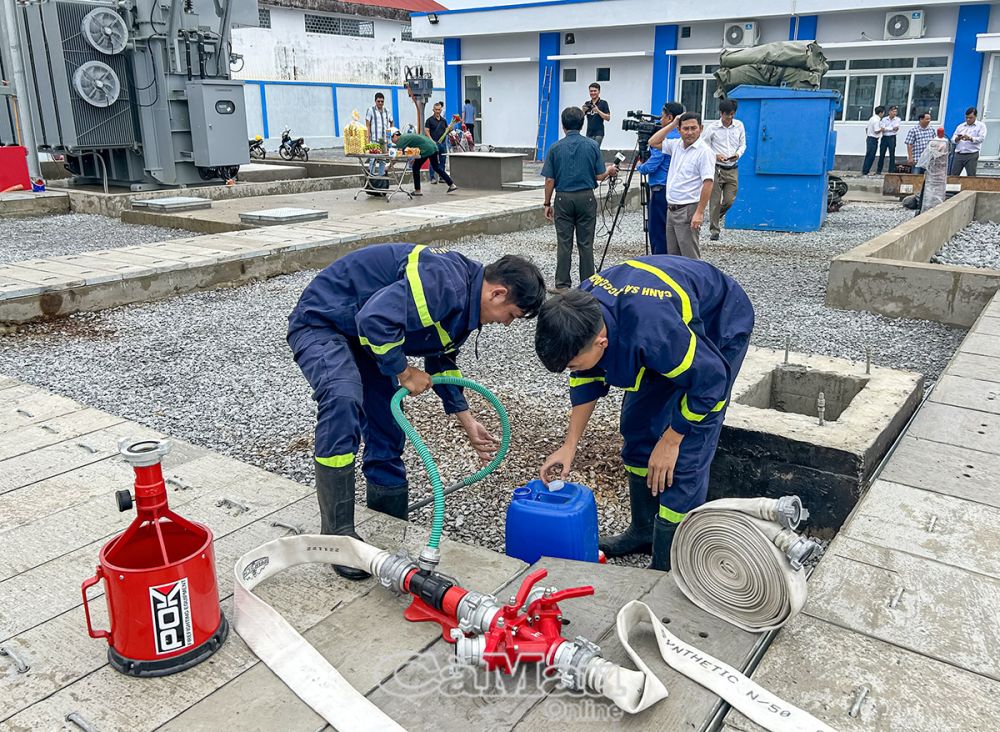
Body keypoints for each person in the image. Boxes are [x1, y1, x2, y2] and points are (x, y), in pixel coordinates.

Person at [288, 244, 546, 579]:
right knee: (342, 397)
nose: (507, 323)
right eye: (511, 315)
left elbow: (442, 356)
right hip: (324, 322)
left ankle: (388, 528)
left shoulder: (466, 299)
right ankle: (338, 537)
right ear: (498, 293)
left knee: (388, 425)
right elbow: (374, 318)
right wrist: (405, 372)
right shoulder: (446, 285)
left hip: (364, 337)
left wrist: (466, 420)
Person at [535, 256, 755, 569]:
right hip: (660, 333)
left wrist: (671, 439)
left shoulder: (653, 331)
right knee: (638, 427)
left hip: (719, 323)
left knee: (686, 456)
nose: (572, 370)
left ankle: (669, 562)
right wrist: (569, 445)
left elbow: (710, 384)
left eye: (572, 363)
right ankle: (643, 530)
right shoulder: (580, 310)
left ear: (602, 342)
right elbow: (586, 377)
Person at [542, 107, 619, 289]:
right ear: (583, 123)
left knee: (564, 243)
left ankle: (562, 284)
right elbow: (600, 176)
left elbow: (549, 179)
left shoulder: (555, 147)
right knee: (586, 243)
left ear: (563, 125)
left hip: (563, 198)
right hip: (586, 197)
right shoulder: (592, 145)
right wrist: (609, 171)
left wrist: (547, 203)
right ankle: (588, 283)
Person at [647, 112, 715, 259]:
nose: (689, 132)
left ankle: (696, 282)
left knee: (690, 257)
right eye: (685, 128)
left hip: (688, 209)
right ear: (679, 130)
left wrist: (700, 212)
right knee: (674, 256)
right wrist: (672, 124)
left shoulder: (704, 152)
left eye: (693, 128)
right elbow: (653, 142)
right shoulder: (676, 144)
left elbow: (708, 183)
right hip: (671, 208)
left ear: (701, 128)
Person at [636, 102, 684, 255]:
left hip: (660, 188)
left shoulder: (665, 139)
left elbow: (651, 166)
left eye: (662, 117)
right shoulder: (679, 137)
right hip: (673, 188)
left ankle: (658, 260)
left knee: (657, 230)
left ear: (670, 118)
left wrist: (639, 166)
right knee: (668, 229)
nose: (660, 120)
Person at [701, 99, 746, 242]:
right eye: (727, 115)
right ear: (721, 113)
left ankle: (715, 216)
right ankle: (714, 230)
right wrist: (715, 155)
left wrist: (737, 154)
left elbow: (742, 144)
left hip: (732, 168)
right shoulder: (712, 128)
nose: (730, 117)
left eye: (732, 114)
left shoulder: (739, 126)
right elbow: (704, 146)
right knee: (714, 200)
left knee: (729, 200)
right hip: (716, 168)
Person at [391, 128, 457, 195]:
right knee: (436, 167)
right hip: (433, 146)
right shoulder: (406, 136)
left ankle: (417, 190)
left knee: (415, 168)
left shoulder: (400, 140)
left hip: (426, 149)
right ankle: (452, 184)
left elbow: (397, 155)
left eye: (392, 140)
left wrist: (389, 166)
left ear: (395, 136)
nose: (393, 142)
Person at [951, 107, 987, 177]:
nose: (968, 119)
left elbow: (981, 139)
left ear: (975, 117)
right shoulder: (960, 126)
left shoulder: (981, 126)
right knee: (954, 175)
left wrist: (970, 138)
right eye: (966, 117)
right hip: (959, 154)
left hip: (972, 154)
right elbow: (953, 139)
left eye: (970, 118)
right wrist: (958, 138)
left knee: (971, 176)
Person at [425, 101, 451, 184]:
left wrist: (450, 130)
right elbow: (426, 131)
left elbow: (446, 131)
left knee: (443, 160)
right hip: (433, 144)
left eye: (439, 109)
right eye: (436, 109)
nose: (437, 111)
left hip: (442, 144)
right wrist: (431, 140)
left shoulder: (444, 120)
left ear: (441, 110)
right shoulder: (429, 120)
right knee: (433, 161)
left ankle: (441, 177)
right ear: (433, 110)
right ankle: (432, 177)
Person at [582, 83, 611, 147]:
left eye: (595, 91)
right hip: (589, 133)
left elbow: (608, 118)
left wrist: (598, 111)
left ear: (599, 91)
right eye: (591, 91)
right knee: (589, 151)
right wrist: (583, 111)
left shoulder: (603, 103)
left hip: (599, 133)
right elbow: (580, 118)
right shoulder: (587, 103)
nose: (593, 93)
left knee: (595, 149)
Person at [877, 105, 900, 174]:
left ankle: (891, 170)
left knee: (892, 154)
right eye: (893, 111)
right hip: (885, 138)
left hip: (892, 137)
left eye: (896, 111)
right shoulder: (884, 119)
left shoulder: (897, 119)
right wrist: (891, 128)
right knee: (882, 154)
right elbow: (883, 129)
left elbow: (896, 128)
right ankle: (879, 170)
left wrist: (887, 128)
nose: (894, 113)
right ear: (889, 112)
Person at [862, 106, 885, 176]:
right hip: (873, 139)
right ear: (881, 113)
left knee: (869, 155)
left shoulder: (872, 118)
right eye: (883, 113)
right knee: (871, 156)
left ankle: (865, 170)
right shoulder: (876, 120)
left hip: (869, 138)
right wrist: (882, 129)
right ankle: (866, 171)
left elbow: (866, 128)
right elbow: (876, 131)